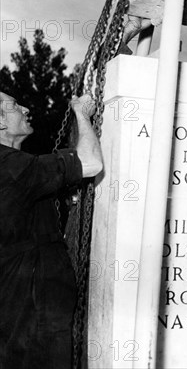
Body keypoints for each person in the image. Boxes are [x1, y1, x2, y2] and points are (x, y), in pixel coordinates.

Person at [0, 91, 103, 368]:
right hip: (34, 305)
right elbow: (91, 163)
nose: (25, 108)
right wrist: (81, 114)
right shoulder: (13, 167)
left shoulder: (17, 167)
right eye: (13, 105)